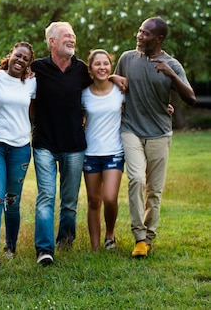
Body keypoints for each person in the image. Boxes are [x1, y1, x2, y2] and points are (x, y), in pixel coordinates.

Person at [114, 16, 195, 258]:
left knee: (154, 190)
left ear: (158, 39)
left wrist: (172, 75)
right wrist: (109, 78)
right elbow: (113, 87)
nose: (139, 36)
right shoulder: (127, 59)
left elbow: (190, 98)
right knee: (136, 179)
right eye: (139, 31)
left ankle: (149, 237)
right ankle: (139, 237)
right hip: (131, 129)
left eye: (146, 34)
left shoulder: (173, 65)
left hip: (160, 132)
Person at [31, 21, 94, 267]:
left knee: (69, 201)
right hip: (45, 142)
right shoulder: (37, 68)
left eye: (73, 36)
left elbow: (102, 84)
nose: (72, 39)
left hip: (74, 144)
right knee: (46, 196)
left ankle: (65, 241)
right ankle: (44, 249)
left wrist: (116, 78)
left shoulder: (82, 70)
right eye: (66, 35)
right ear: (52, 42)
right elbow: (14, 78)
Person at [0, 42, 36, 269]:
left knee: (12, 201)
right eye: (18, 55)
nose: (20, 60)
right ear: (10, 55)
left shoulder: (32, 82)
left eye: (25, 58)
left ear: (29, 63)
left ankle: (10, 247)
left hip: (21, 147)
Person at [81, 49, 125, 252]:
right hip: (90, 153)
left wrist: (165, 107)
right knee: (93, 201)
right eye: (97, 64)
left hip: (114, 151)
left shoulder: (120, 91)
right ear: (90, 68)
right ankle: (95, 246)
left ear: (110, 65)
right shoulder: (83, 94)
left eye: (106, 63)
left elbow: (142, 102)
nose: (102, 67)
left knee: (109, 198)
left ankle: (110, 234)